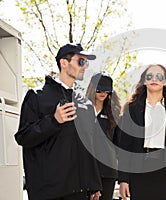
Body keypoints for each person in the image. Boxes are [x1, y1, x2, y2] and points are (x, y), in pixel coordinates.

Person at [15, 43, 102, 200]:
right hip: (48, 191)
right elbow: (23, 137)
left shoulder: (85, 104)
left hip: (80, 191)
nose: (85, 67)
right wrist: (53, 121)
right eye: (81, 61)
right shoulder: (37, 96)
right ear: (64, 63)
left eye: (86, 62)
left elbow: (90, 146)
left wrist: (94, 184)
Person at [117, 64, 166, 200]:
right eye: (150, 76)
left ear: (165, 82)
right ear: (145, 81)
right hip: (138, 172)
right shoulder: (131, 109)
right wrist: (123, 179)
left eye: (159, 76)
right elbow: (125, 147)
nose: (154, 79)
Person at [86, 72, 121, 200]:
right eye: (99, 89)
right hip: (86, 168)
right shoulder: (82, 109)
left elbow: (118, 144)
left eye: (107, 90)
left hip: (107, 170)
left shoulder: (114, 112)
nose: (103, 93)